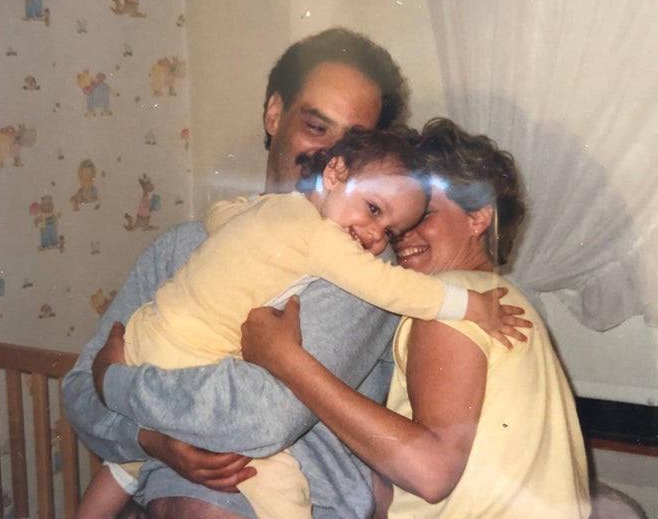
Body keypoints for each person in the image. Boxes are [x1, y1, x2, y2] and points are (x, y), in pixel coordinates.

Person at [77, 126, 518, 519]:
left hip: (146, 344)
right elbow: (394, 289)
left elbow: (264, 419)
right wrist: (471, 305)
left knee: (124, 468)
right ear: (335, 170)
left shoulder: (267, 213)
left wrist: (135, 421)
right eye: (373, 210)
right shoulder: (327, 242)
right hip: (183, 365)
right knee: (283, 490)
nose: (373, 237)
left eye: (388, 231)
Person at [62, 27, 414, 518]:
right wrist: (150, 440)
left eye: (353, 143)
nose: (332, 158)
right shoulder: (183, 245)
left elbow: (262, 419)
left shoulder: (363, 267)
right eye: (317, 128)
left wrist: (122, 388)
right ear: (275, 114)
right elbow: (79, 391)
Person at [240, 118, 592, 518]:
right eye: (396, 226)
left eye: (422, 214)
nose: (400, 238)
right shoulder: (507, 301)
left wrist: (286, 360)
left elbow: (431, 473)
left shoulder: (456, 303)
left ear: (478, 217)